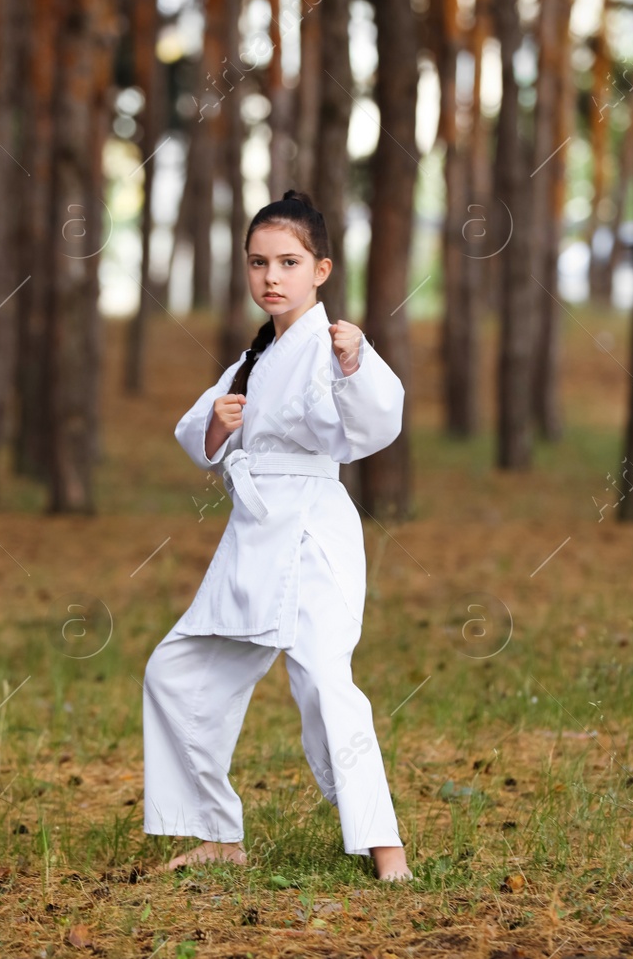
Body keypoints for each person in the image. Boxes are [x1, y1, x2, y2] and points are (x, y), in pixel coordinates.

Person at [140, 190, 413, 882]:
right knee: (176, 671)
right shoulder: (252, 358)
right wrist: (218, 428)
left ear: (320, 269)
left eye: (288, 261)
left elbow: (375, 424)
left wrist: (357, 363)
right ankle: (216, 831)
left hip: (313, 529)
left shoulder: (332, 345)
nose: (271, 276)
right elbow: (195, 436)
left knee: (324, 679)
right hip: (253, 532)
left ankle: (386, 847)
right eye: (259, 261)